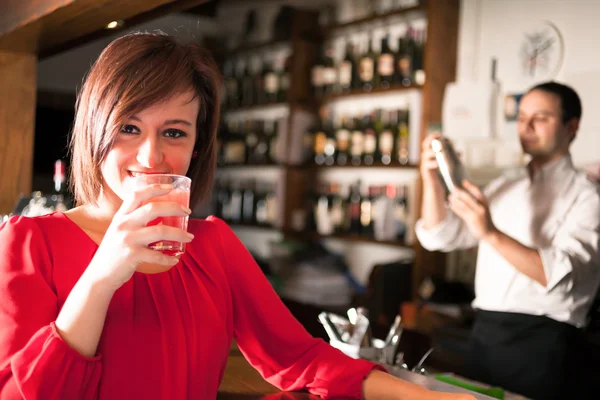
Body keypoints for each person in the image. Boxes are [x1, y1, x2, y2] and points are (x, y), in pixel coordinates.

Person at [0, 32, 475, 400]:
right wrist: (102, 275)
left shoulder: (212, 244)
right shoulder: (27, 243)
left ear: (197, 145)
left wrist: (426, 394)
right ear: (93, 127)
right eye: (128, 127)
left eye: (174, 132)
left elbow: (298, 357)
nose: (152, 156)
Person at [416, 81, 600, 399]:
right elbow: (441, 236)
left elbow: (563, 273)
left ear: (572, 126)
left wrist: (490, 233)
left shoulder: (588, 195)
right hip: (485, 334)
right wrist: (431, 181)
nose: (526, 126)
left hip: (543, 343)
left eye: (540, 117)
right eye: (522, 116)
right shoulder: (504, 186)